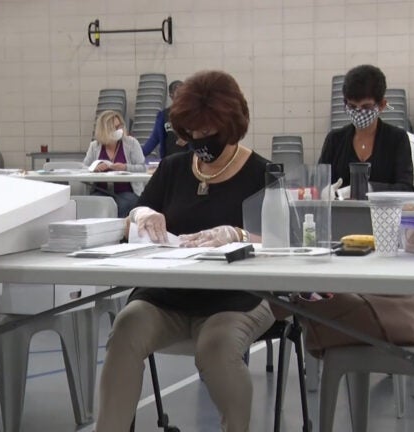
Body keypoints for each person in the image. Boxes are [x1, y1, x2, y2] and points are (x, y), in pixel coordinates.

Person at [95, 71, 275, 432]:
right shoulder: (174, 168)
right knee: (127, 327)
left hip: (237, 298)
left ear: (231, 124)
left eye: (208, 133)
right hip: (169, 295)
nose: (199, 141)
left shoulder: (262, 173)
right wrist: (143, 215)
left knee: (217, 348)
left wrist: (239, 234)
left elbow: (283, 242)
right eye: (191, 133)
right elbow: (136, 215)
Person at [318, 64, 414, 192]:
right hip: (342, 211)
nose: (358, 112)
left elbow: (406, 188)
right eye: (352, 106)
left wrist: (370, 188)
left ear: (382, 105)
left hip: (383, 211)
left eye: (366, 107)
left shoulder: (397, 139)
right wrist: (324, 192)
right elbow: (319, 183)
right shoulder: (334, 140)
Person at [83, 110, 146, 217]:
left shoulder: (131, 143)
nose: (119, 130)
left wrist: (125, 167)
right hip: (101, 190)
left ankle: (121, 232)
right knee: (98, 205)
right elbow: (84, 168)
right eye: (114, 128)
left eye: (120, 126)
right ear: (104, 130)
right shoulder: (95, 146)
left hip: (127, 191)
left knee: (124, 204)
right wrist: (95, 168)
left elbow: (142, 167)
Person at [141, 80, 191, 158]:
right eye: (178, 94)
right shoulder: (163, 115)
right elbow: (154, 139)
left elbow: (201, 136)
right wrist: (139, 155)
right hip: (169, 158)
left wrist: (189, 139)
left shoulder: (193, 114)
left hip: (189, 158)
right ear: (171, 95)